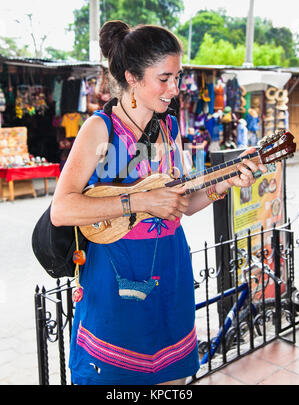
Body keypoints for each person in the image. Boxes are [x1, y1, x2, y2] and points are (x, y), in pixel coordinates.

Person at [50, 20, 267, 386]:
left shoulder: (168, 128)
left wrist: (224, 182)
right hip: (114, 274)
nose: (175, 89)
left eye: (177, 77)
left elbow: (177, 204)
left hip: (169, 268)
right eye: (164, 78)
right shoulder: (100, 129)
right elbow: (63, 208)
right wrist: (141, 200)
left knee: (171, 380)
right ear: (132, 77)